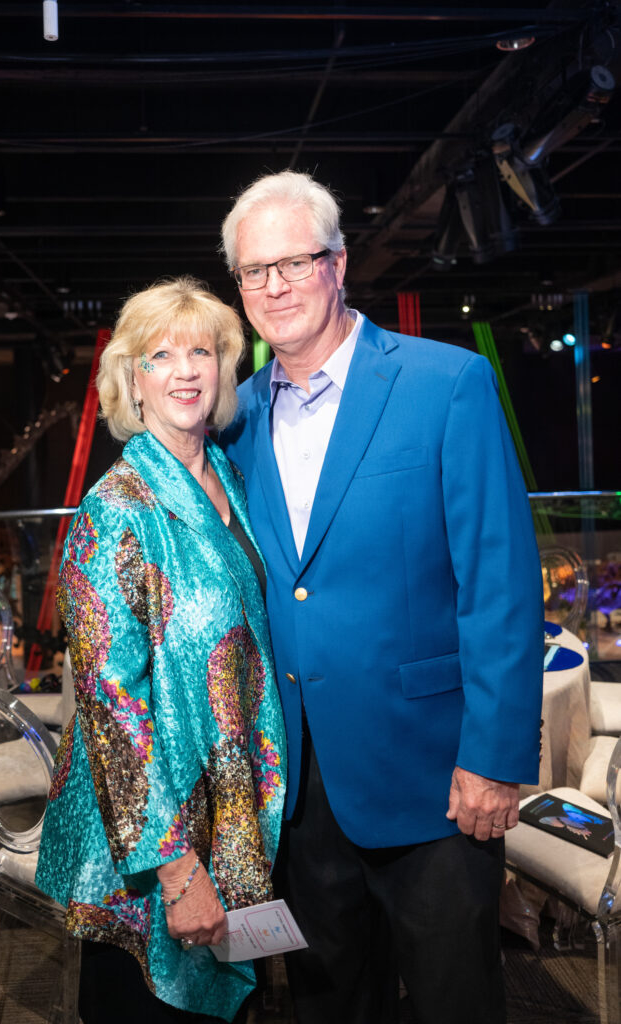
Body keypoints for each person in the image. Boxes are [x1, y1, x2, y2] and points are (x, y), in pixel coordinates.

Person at [218, 171, 544, 1024]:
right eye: (255, 271)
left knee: (453, 1000)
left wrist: (495, 758)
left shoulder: (447, 384)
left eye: (295, 262)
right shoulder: (234, 419)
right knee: (327, 1003)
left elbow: (500, 586)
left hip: (435, 777)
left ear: (339, 263)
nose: (275, 286)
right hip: (293, 784)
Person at [35, 277, 287, 1024]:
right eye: (160, 355)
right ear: (131, 381)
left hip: (231, 813)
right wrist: (177, 872)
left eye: (202, 351)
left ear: (223, 369)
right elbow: (112, 710)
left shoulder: (227, 479)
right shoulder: (114, 510)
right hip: (155, 847)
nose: (185, 370)